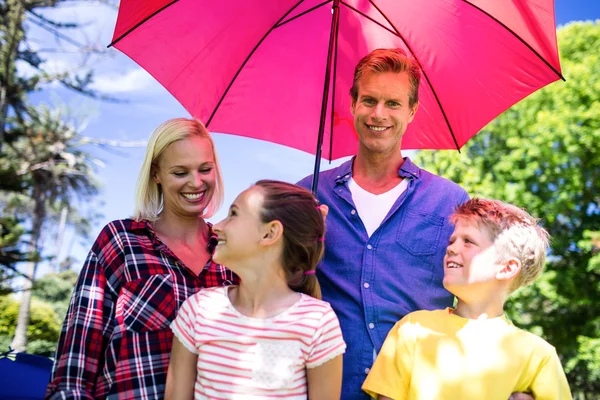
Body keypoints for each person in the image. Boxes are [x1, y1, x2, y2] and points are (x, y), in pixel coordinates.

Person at [297, 48, 469, 399]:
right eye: (369, 100)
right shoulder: (309, 195)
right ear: (353, 104)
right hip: (328, 388)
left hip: (421, 388)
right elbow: (281, 292)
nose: (379, 114)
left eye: (393, 103)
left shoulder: (449, 201)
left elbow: (474, 297)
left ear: (411, 111)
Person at [46, 118, 238, 399]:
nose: (196, 182)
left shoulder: (233, 253)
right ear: (156, 174)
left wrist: (306, 241)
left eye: (205, 169)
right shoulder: (122, 241)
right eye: (180, 172)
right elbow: (77, 359)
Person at [362, 198, 572, 399]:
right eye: (452, 240)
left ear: (507, 268)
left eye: (468, 241)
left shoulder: (537, 356)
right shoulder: (412, 329)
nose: (451, 248)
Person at [165, 180, 346, 400]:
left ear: (270, 233)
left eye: (233, 214)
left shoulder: (317, 322)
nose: (217, 226)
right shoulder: (198, 311)